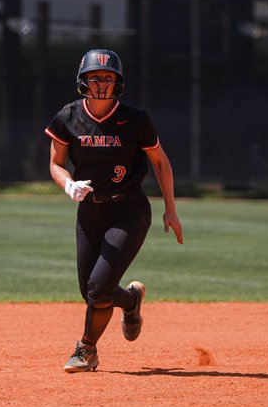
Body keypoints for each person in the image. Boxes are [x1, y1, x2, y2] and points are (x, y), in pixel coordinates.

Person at [44, 48, 184, 373]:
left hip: (129, 211)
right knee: (90, 290)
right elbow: (55, 163)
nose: (102, 83)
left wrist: (171, 210)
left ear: (118, 82)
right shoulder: (68, 117)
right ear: (83, 81)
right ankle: (132, 302)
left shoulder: (135, 120)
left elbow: (160, 161)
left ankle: (86, 350)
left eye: (108, 77)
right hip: (90, 212)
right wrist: (68, 185)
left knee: (98, 288)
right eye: (95, 77)